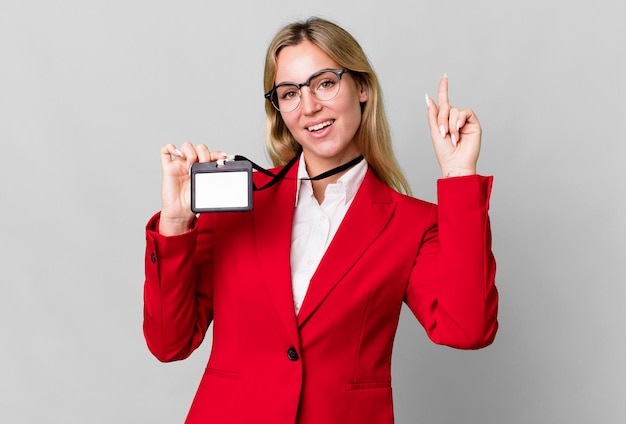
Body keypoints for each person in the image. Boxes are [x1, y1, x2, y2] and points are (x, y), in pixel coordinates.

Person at [143, 17, 498, 424]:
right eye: (290, 93)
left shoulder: (412, 225)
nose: (309, 106)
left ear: (361, 87)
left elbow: (467, 329)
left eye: (325, 83)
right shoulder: (238, 203)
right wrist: (174, 222)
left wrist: (459, 176)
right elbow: (169, 343)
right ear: (278, 109)